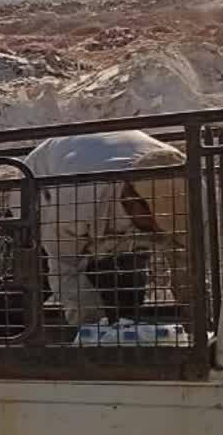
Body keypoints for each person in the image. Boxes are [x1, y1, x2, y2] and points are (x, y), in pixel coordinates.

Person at [24, 129, 192, 329]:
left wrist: (195, 313)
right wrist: (91, 330)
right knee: (23, 290)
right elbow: (64, 267)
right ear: (132, 199)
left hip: (98, 186)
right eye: (154, 224)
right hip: (40, 190)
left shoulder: (183, 180)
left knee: (126, 298)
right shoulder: (78, 199)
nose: (157, 231)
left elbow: (187, 260)